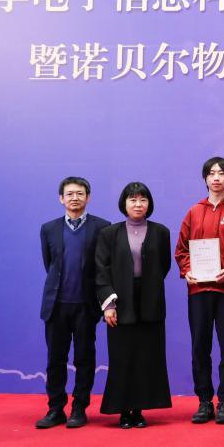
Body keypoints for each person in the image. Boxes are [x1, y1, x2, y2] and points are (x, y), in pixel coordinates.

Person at [175, 156, 224, 425]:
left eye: (221, 173)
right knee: (200, 346)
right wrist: (187, 271)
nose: (216, 177)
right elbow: (182, 250)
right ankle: (204, 401)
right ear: (205, 178)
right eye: (211, 173)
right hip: (199, 290)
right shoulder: (194, 211)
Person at [94, 182, 172, 428]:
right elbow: (101, 270)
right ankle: (123, 410)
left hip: (150, 300)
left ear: (149, 203)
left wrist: (149, 287)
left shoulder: (161, 232)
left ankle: (139, 410)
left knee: (147, 357)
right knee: (123, 356)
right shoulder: (109, 233)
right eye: (133, 200)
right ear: (124, 203)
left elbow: (164, 266)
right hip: (120, 300)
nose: (138, 204)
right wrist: (109, 304)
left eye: (143, 200)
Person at [37, 177, 110, 429]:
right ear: (61, 198)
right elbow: (50, 263)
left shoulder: (103, 227)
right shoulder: (49, 228)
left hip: (86, 305)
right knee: (55, 360)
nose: (74, 198)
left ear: (88, 197)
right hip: (56, 305)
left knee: (84, 359)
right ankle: (55, 409)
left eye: (80, 193)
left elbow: (103, 267)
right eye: (69, 194)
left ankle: (79, 408)